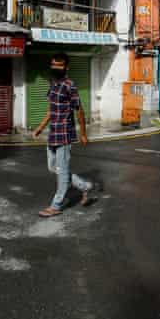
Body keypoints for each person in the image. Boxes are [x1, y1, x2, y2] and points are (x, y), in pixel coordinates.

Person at [32, 53, 94, 217]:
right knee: (54, 168)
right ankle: (84, 186)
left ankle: (56, 205)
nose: (55, 68)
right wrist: (40, 127)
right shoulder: (52, 84)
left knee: (62, 170)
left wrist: (83, 134)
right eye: (53, 64)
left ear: (66, 67)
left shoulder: (70, 85)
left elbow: (79, 110)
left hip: (65, 133)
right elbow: (50, 110)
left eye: (59, 65)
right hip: (53, 133)